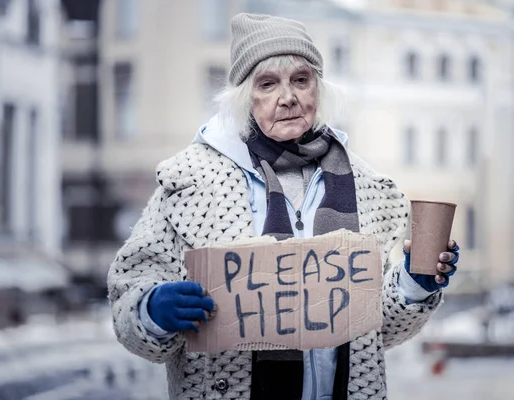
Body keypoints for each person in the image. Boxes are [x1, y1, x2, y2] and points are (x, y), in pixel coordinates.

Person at [108, 13, 460, 400]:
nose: (288, 96)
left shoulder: (366, 186)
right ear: (246, 96)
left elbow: (374, 330)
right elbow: (129, 300)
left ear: (318, 89)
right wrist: (152, 311)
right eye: (268, 83)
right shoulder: (190, 181)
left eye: (300, 79)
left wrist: (414, 284)